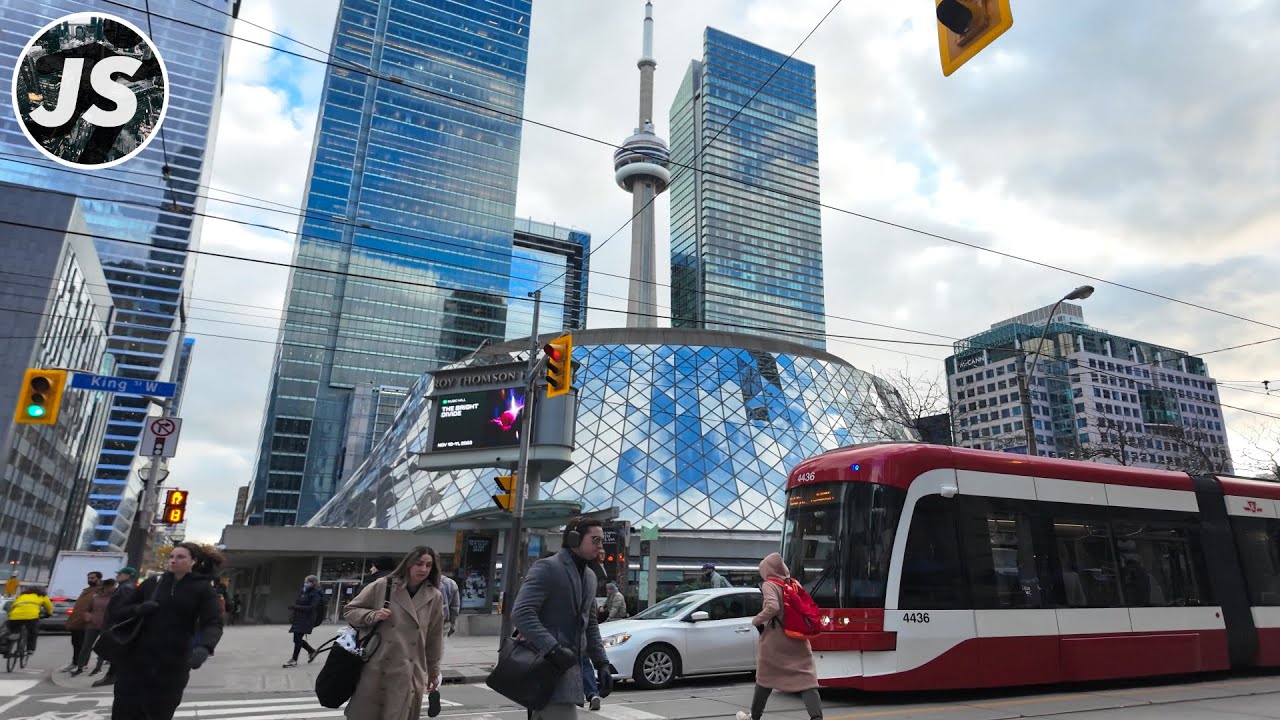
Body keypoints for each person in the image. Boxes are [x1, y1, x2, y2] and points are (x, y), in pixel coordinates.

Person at [108, 543, 224, 720]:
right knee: (124, 712)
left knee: (159, 713)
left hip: (171, 666)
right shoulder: (152, 583)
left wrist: (205, 647)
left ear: (194, 561)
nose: (173, 560)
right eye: (171, 556)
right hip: (134, 662)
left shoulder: (203, 589)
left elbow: (213, 623)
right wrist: (139, 609)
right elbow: (118, 611)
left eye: (180, 557)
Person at [512, 517, 610, 720]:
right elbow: (521, 613)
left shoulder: (590, 577)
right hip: (545, 669)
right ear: (574, 539)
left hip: (570, 673)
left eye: (601, 540)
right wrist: (553, 648)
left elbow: (590, 624)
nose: (600, 546)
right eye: (595, 539)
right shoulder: (547, 568)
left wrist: (602, 663)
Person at [342, 546, 444, 720]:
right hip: (378, 665)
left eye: (428, 565)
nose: (423, 569)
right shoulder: (385, 584)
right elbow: (350, 610)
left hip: (409, 670)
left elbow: (434, 638)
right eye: (419, 564)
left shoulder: (434, 596)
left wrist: (434, 672)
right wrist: (372, 615)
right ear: (408, 563)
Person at [735, 553, 822, 720]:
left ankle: (754, 717)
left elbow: (773, 607)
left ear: (767, 570)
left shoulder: (770, 585)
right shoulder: (794, 583)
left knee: (765, 679)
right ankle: (816, 717)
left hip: (776, 641)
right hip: (798, 638)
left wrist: (756, 620)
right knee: (806, 679)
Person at [91, 567, 138, 687]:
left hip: (116, 624)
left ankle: (112, 676)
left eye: (120, 574)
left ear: (128, 575)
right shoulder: (124, 587)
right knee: (115, 652)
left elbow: (122, 608)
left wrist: (115, 624)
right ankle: (112, 675)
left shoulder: (126, 588)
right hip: (116, 624)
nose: (117, 576)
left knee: (114, 652)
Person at [75, 579, 116, 676]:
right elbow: (87, 609)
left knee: (102, 647)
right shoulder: (95, 597)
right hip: (92, 624)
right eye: (110, 586)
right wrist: (87, 616)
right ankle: (80, 666)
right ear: (105, 587)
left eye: (113, 586)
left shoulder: (114, 598)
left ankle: (98, 668)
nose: (112, 588)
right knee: (86, 646)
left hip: (106, 626)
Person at [64, 571, 103, 673]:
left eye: (92, 578)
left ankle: (82, 665)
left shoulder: (100, 591)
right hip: (77, 621)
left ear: (99, 579)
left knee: (84, 645)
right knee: (76, 643)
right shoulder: (87, 590)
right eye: (89, 578)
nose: (90, 580)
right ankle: (75, 662)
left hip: (87, 623)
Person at [283, 574, 322, 667]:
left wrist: (295, 607)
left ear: (313, 583)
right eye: (305, 582)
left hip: (307, 619)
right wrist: (293, 612)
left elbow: (311, 607)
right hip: (299, 619)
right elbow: (298, 603)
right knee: (297, 639)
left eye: (307, 582)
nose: (305, 584)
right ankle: (312, 651)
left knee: (297, 639)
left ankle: (294, 659)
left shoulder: (315, 593)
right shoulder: (303, 592)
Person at [6, 585, 52, 654]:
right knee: (32, 632)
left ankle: (9, 644)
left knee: (13, 631)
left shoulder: (21, 596)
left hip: (15, 616)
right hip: (31, 617)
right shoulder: (42, 596)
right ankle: (30, 649)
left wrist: (10, 615)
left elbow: (13, 606)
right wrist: (48, 614)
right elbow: (49, 607)